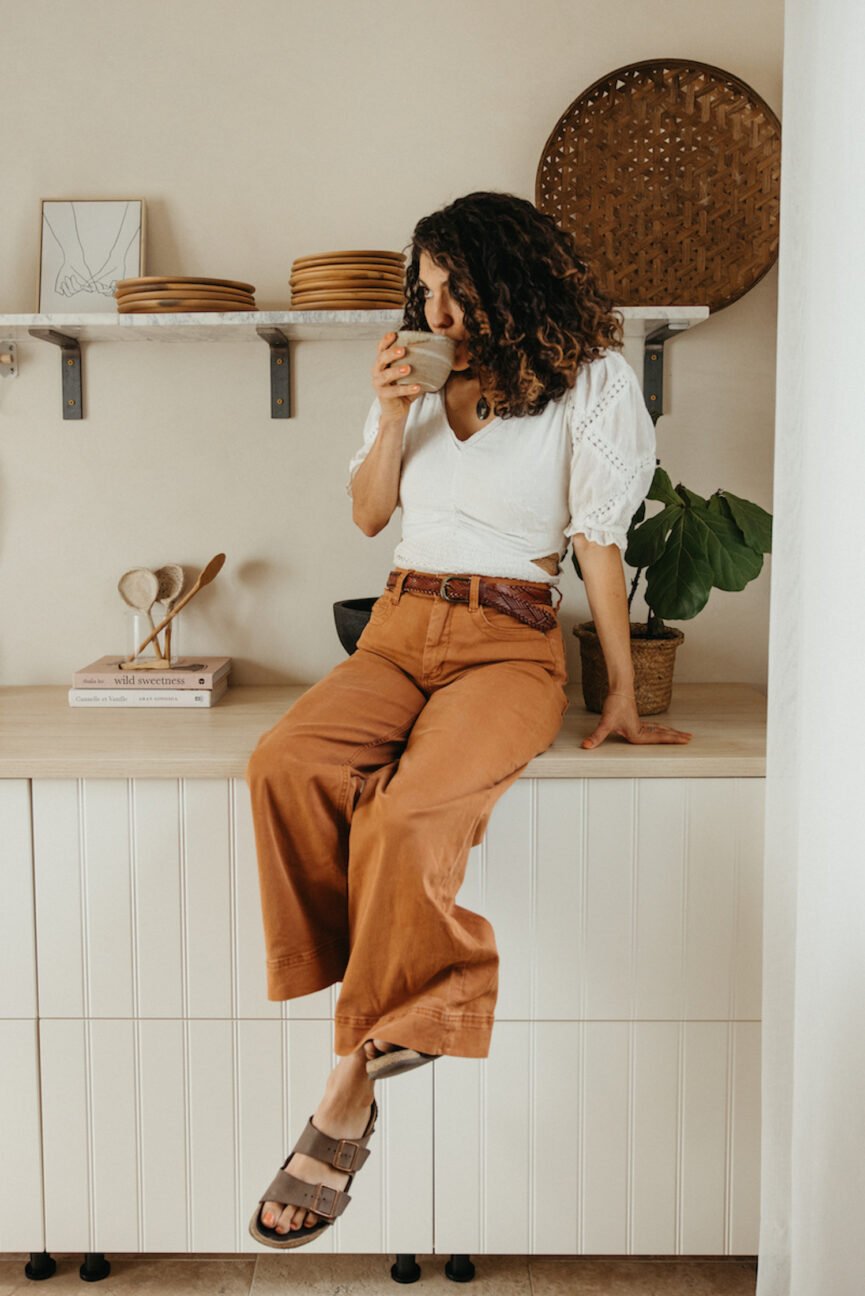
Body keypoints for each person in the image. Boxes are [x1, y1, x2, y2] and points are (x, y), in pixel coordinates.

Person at [246, 190, 693, 1250]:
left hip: (507, 640)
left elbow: (596, 545)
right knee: (283, 761)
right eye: (426, 288)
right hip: (396, 629)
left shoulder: (593, 380)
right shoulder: (419, 378)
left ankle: (348, 1088)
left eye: (454, 285)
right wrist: (392, 411)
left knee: (404, 821)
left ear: (511, 273)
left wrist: (620, 690)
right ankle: (402, 1003)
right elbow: (366, 514)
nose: (436, 307)